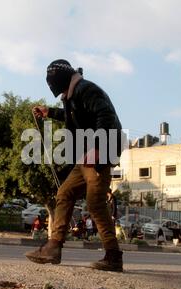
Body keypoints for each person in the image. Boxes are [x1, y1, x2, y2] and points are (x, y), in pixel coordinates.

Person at [26, 59, 124, 272]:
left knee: (95, 203)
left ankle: (113, 256)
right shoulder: (72, 95)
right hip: (85, 156)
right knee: (65, 193)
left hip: (99, 153)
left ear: (59, 79)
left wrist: (98, 147)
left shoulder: (86, 89)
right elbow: (74, 117)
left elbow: (105, 115)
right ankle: (54, 247)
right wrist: (49, 112)